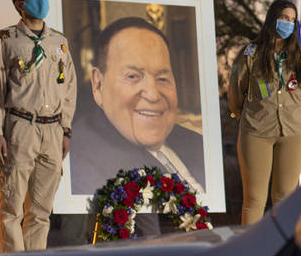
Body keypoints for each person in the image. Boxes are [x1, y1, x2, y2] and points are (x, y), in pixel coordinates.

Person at [0, 0, 76, 252]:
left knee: (41, 210)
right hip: (19, 127)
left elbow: (69, 87)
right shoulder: (5, 40)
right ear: (19, 3)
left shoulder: (59, 42)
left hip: (52, 129)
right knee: (12, 206)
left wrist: (66, 129)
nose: (41, 1)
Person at [69, 16, 206, 201]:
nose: (153, 94)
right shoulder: (78, 158)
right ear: (98, 84)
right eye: (133, 76)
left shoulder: (196, 143)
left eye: (162, 79)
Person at [229, 0, 301, 225]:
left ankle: (280, 252)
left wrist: (297, 120)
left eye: (291, 20)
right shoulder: (251, 54)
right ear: (272, 19)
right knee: (254, 199)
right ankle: (249, 253)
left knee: (285, 199)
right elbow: (236, 92)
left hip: (293, 134)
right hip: (256, 131)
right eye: (283, 18)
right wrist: (247, 117)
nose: (287, 23)